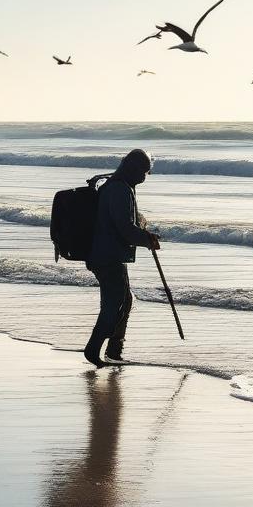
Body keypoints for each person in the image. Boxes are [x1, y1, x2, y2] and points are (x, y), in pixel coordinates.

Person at [83, 148, 160, 367]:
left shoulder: (118, 186)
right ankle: (94, 348)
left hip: (106, 254)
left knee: (124, 301)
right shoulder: (119, 189)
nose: (144, 177)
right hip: (107, 256)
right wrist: (146, 239)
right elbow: (125, 228)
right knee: (115, 304)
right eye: (143, 171)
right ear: (132, 168)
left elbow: (128, 223)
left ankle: (114, 350)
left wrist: (144, 233)